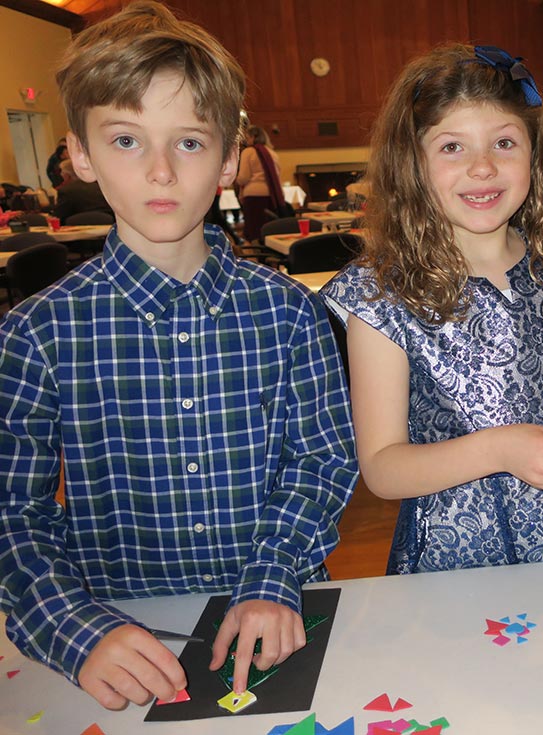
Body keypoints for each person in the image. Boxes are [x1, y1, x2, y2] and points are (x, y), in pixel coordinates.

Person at [0, 0, 357, 710]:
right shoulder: (36, 332)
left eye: (189, 143)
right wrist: (73, 628)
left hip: (279, 616)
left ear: (227, 159)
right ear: (79, 154)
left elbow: (322, 459)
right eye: (127, 140)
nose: (160, 171)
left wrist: (269, 573)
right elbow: (15, 512)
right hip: (119, 634)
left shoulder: (288, 312)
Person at [323, 43, 543, 575]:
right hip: (457, 555)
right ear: (412, 163)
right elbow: (382, 467)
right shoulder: (381, 294)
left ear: (534, 154)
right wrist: (499, 450)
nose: (482, 167)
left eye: (503, 142)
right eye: (452, 147)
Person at [236, 124, 285, 243]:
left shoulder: (248, 152)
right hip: (271, 196)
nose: (246, 141)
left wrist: (235, 180)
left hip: (253, 196)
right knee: (269, 230)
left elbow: (243, 177)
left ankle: (257, 256)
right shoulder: (272, 153)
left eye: (247, 137)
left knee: (255, 231)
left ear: (254, 137)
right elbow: (277, 176)